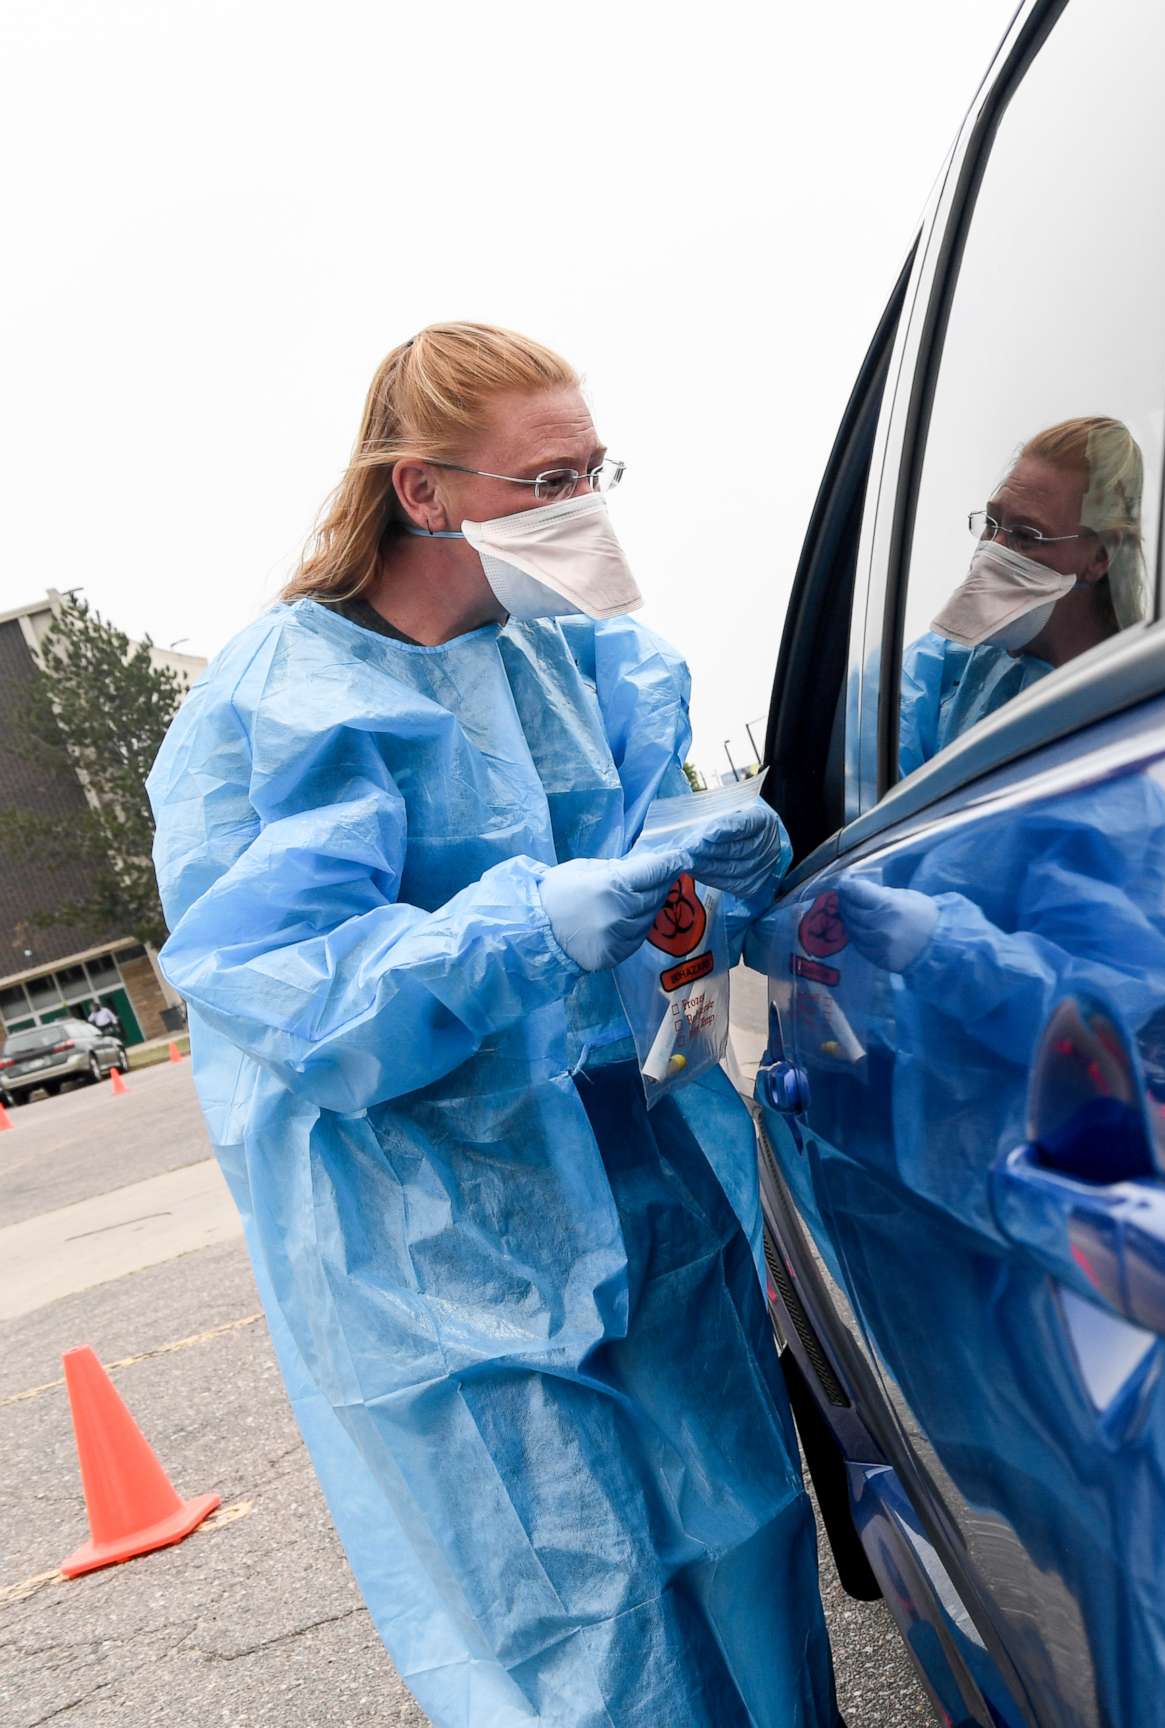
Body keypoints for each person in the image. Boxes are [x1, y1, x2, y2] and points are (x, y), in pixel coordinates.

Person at [147, 324, 836, 1727]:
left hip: (649, 1202)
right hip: (439, 1250)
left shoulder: (590, 672)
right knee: (587, 1626)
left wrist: (718, 883)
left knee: (749, 1533)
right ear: (425, 492)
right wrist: (520, 927)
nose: (584, 508)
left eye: (595, 470)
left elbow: (677, 965)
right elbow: (286, 990)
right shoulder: (287, 708)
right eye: (546, 480)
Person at [896, 415, 1147, 776]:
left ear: (1100, 557)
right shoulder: (936, 672)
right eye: (992, 523)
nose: (992, 552)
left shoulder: (1144, 707)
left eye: (1026, 536)